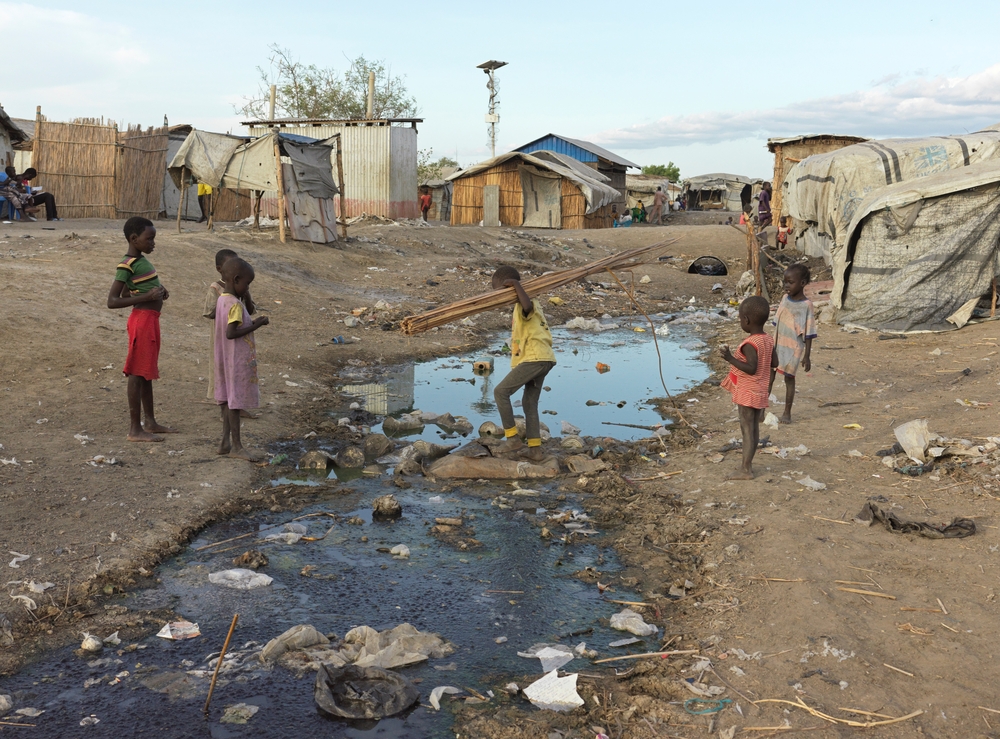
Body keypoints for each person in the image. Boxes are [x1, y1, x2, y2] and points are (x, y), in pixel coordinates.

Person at [106, 217, 176, 442]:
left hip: (151, 319)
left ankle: (151, 422)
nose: (153, 242)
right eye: (150, 238)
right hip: (142, 321)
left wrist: (159, 291)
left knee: (145, 372)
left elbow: (130, 293)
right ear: (134, 239)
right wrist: (147, 296)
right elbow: (113, 300)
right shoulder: (126, 264)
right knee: (137, 373)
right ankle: (135, 429)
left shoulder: (140, 262)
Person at [491, 265, 556, 462]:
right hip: (543, 358)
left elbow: (527, 307)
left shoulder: (525, 302)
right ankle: (534, 450)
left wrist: (517, 285)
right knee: (529, 403)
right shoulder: (526, 300)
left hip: (534, 358)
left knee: (500, 392)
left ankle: (512, 438)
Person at [214, 257, 269, 461]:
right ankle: (237, 446)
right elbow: (232, 332)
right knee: (235, 402)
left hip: (224, 357)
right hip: (235, 358)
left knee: (229, 400)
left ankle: (224, 442)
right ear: (236, 280)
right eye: (247, 284)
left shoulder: (222, 299)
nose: (247, 289)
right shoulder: (234, 304)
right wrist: (257, 324)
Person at [719, 295, 777, 480]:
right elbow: (774, 361)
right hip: (759, 391)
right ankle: (747, 466)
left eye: (739, 318)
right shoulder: (767, 339)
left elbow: (751, 369)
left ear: (746, 320)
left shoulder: (750, 344)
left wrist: (730, 358)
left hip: (747, 392)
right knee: (754, 430)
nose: (740, 321)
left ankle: (746, 469)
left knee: (747, 430)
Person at [204, 249, 256, 416]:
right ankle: (224, 409)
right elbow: (209, 312)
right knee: (222, 369)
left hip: (235, 336)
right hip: (222, 334)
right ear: (220, 269)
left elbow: (250, 309)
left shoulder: (240, 288)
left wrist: (246, 295)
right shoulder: (218, 290)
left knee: (235, 370)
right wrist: (226, 305)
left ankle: (237, 405)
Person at [769, 264, 816, 424]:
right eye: (785, 282)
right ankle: (761, 410)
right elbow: (777, 323)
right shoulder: (784, 299)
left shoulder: (806, 305)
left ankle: (787, 413)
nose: (786, 285)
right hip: (778, 344)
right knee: (770, 375)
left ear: (802, 283)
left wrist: (807, 356)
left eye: (790, 282)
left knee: (789, 378)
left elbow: (809, 333)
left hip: (794, 348)